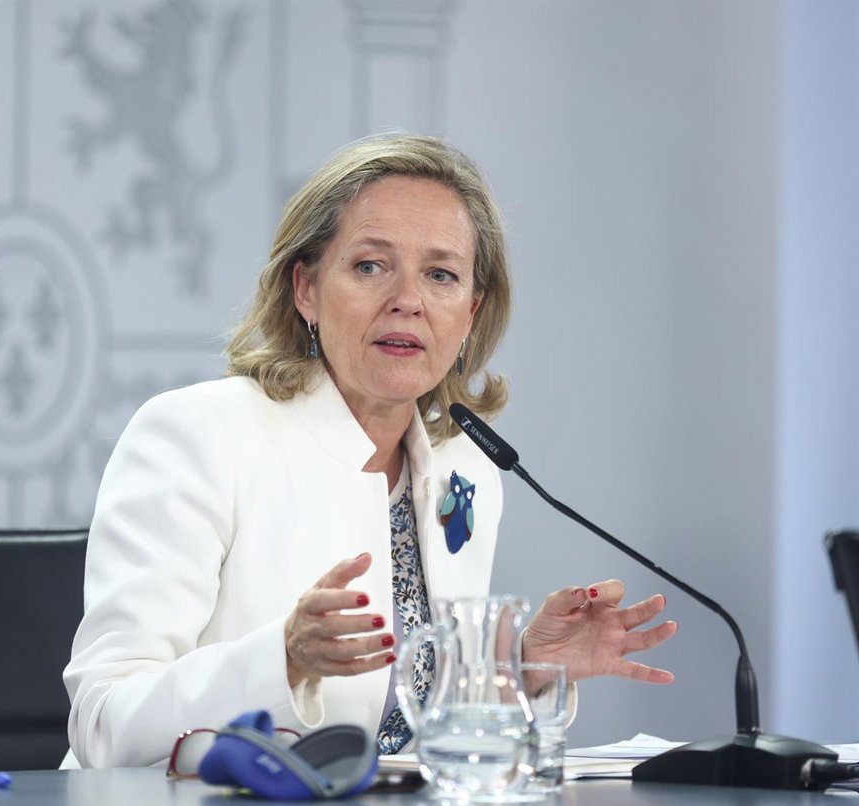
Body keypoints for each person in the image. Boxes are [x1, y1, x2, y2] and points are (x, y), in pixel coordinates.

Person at [63, 133, 677, 769]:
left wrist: (523, 670)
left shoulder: (464, 468)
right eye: (370, 266)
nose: (408, 300)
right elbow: (104, 723)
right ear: (306, 289)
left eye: (440, 275)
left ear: (470, 313)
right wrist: (283, 660)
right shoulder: (196, 435)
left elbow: (408, 727)